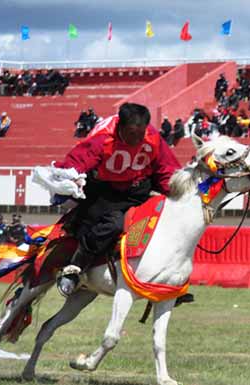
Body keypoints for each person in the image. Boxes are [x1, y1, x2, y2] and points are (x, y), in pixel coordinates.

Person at [51, 103, 180, 296]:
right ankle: (75, 269)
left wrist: (177, 192)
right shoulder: (103, 136)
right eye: (130, 133)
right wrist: (71, 177)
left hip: (139, 192)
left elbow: (165, 168)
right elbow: (78, 161)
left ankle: (166, 280)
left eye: (140, 133)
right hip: (106, 193)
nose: (136, 139)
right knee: (114, 224)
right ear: (120, 126)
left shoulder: (153, 137)